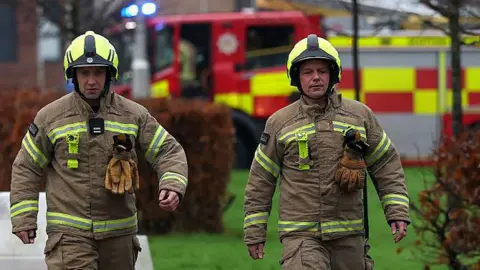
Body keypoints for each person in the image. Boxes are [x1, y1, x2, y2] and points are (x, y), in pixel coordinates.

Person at [10, 31, 189, 269]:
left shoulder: (133, 115)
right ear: (73, 75)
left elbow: (168, 150)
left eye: (98, 72)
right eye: (84, 73)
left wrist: (172, 184)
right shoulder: (50, 118)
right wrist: (24, 218)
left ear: (110, 74)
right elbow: (27, 167)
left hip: (119, 237)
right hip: (69, 238)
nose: (91, 81)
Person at [243, 34, 410, 269]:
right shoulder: (279, 123)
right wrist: (254, 231)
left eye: (322, 71)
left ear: (333, 74)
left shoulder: (359, 116)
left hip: (349, 235)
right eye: (308, 72)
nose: (316, 78)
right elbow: (261, 179)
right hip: (301, 238)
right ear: (296, 77)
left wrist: (397, 212)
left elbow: (386, 164)